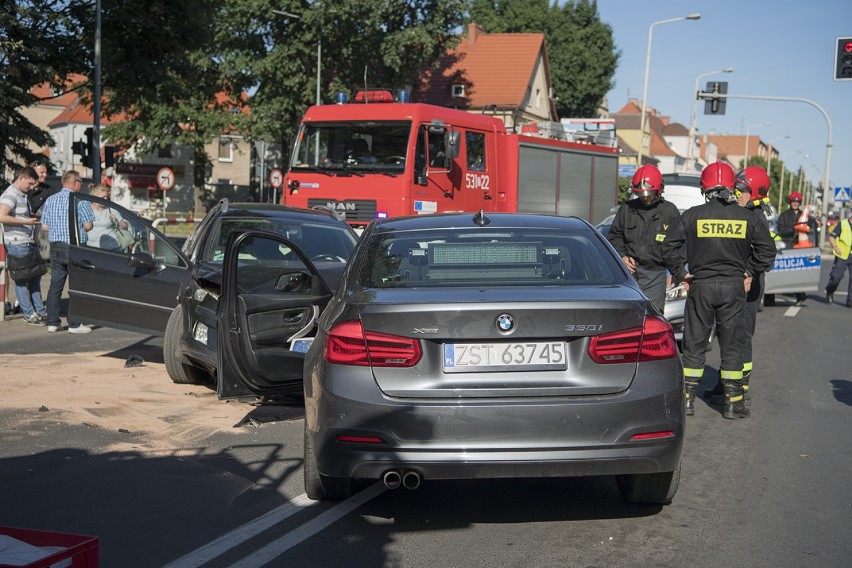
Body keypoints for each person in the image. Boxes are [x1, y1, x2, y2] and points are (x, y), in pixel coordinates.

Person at [663, 162, 776, 419]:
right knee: (732, 344)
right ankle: (733, 404)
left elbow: (668, 247)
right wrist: (749, 271)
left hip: (700, 286)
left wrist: (682, 274)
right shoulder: (746, 217)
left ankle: (687, 401)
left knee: (694, 343)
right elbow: (768, 252)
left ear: (704, 187)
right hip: (733, 289)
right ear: (731, 188)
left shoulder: (691, 215)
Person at [704, 166, 777, 407]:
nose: (736, 193)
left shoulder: (756, 218)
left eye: (742, 190)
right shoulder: (740, 213)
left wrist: (748, 272)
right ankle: (725, 382)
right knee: (728, 335)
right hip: (732, 284)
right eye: (736, 188)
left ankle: (739, 387)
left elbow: (765, 255)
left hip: (748, 286)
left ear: (755, 192)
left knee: (741, 336)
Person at [606, 164, 682, 312]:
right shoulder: (627, 209)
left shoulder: (669, 211)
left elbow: (678, 246)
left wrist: (675, 272)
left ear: (659, 189)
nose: (645, 197)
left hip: (656, 275)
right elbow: (614, 236)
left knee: (653, 318)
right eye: (641, 193)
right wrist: (622, 256)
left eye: (649, 192)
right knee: (626, 318)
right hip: (629, 275)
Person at [40, 170, 95, 333]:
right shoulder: (79, 201)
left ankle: (53, 322)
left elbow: (44, 226)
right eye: (81, 183)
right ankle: (75, 323)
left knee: (55, 285)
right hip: (73, 247)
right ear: (75, 183)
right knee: (77, 285)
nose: (82, 186)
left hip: (56, 246)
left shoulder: (51, 200)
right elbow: (88, 226)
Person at [0, 166, 47, 325]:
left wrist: (34, 218)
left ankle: (39, 311)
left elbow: (21, 214)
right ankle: (29, 313)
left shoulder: (22, 194)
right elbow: (2, 216)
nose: (32, 187)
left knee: (34, 277)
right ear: (22, 178)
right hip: (17, 243)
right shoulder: (10, 195)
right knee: (22, 279)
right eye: (30, 183)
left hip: (27, 241)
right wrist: (25, 221)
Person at [776, 191, 818, 305]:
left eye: (797, 201)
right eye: (793, 201)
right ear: (790, 202)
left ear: (800, 203)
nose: (795, 203)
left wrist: (816, 223)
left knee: (800, 274)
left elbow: (812, 226)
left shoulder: (804, 216)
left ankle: (800, 295)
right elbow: (781, 231)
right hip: (788, 247)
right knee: (784, 273)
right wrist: (794, 229)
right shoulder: (784, 215)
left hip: (802, 249)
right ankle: (774, 294)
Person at [86, 183, 130, 251]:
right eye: (103, 197)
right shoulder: (87, 209)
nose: (105, 199)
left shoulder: (110, 209)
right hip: (92, 249)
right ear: (95, 196)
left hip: (112, 249)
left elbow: (124, 226)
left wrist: (116, 222)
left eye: (106, 197)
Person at [825, 209, 852, 308]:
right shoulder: (843, 224)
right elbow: (832, 237)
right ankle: (830, 290)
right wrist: (835, 247)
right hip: (842, 254)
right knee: (837, 276)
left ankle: (850, 301)